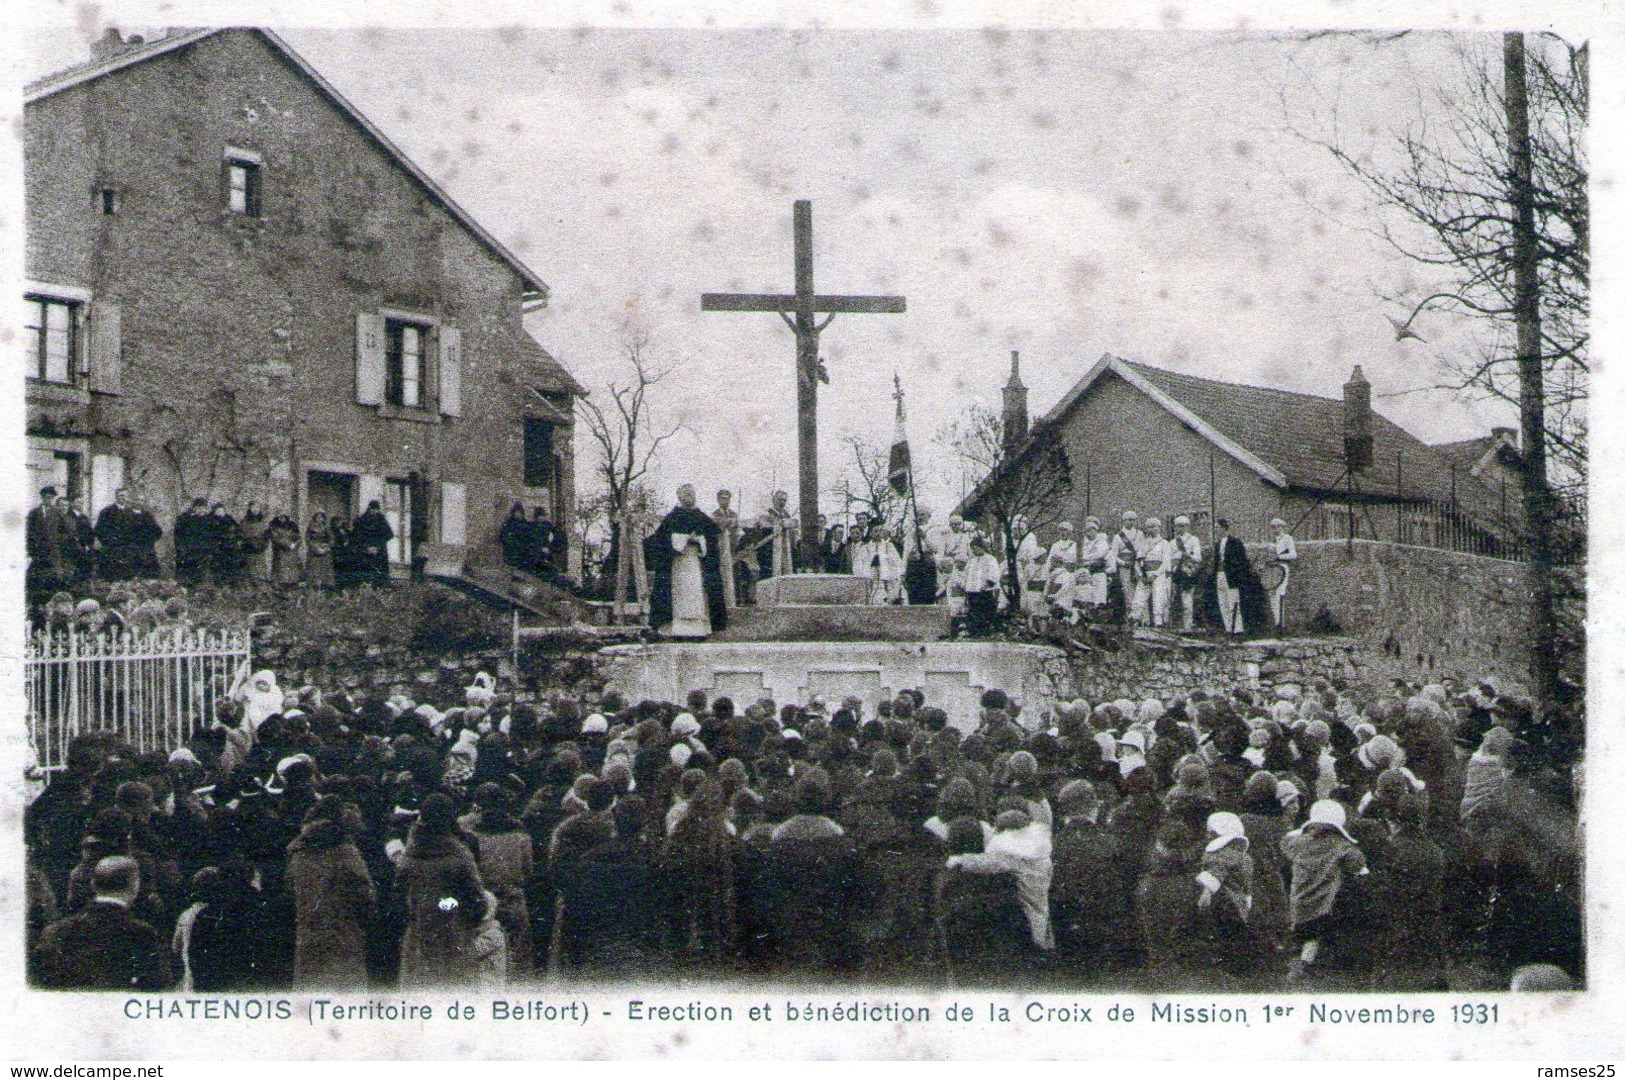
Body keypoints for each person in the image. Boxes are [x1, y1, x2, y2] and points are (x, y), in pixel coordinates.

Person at [33, 855, 173, 990]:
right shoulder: (143, 934)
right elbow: (159, 984)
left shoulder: (54, 931)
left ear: (93, 884)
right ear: (135, 886)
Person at [395, 793, 485, 987]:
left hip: (418, 939)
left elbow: (398, 906)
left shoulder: (408, 859)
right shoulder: (460, 856)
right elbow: (478, 904)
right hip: (453, 936)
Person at [285, 798, 375, 989]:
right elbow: (366, 897)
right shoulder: (347, 852)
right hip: (344, 934)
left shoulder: (298, 853)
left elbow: (290, 891)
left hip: (308, 934)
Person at [645, 484, 727, 639]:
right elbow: (662, 539)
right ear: (680, 497)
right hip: (678, 563)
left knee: (696, 593)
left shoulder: (700, 516)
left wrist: (700, 540)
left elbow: (711, 535)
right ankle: (677, 630)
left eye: (692, 494)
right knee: (679, 594)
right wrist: (683, 539)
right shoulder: (673, 517)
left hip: (696, 561)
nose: (689, 497)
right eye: (686, 494)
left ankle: (698, 630)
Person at [26, 486, 67, 598]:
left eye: (51, 498)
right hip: (38, 551)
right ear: (42, 498)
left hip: (53, 551)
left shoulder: (57, 513)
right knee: (38, 577)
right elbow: (29, 532)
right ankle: (38, 602)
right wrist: (31, 550)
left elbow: (63, 531)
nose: (48, 500)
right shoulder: (34, 513)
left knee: (53, 577)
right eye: (46, 498)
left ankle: (50, 601)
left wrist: (57, 542)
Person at [93, 488, 141, 582]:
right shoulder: (107, 511)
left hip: (127, 551)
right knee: (111, 577)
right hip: (111, 550)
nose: (124, 498)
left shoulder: (131, 513)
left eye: (125, 496)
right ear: (116, 497)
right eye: (121, 495)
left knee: (127, 578)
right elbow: (98, 530)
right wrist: (109, 541)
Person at [1109, 510, 1146, 625]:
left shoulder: (1139, 534)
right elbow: (1113, 555)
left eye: (1133, 520)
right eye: (1129, 520)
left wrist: (1139, 560)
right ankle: (1131, 619)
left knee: (1140, 591)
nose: (1131, 522)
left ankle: (1142, 619)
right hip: (1125, 567)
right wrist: (1123, 563)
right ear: (1124, 521)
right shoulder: (1118, 537)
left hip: (1137, 565)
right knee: (1128, 592)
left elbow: (1142, 548)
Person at [962, 537, 1003, 638]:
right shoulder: (971, 561)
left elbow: (994, 574)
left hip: (985, 590)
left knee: (986, 610)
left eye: (976, 547)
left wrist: (987, 584)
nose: (974, 550)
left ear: (982, 547)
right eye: (973, 548)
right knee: (973, 611)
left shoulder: (990, 559)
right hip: (972, 590)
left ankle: (987, 631)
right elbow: (966, 574)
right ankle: (974, 632)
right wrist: (965, 585)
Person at [1171, 516, 1203, 632]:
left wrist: (1187, 555)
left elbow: (1198, 558)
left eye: (1182, 526)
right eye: (1178, 526)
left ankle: (1187, 627)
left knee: (1187, 601)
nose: (1180, 528)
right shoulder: (1172, 542)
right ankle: (1169, 625)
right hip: (1175, 572)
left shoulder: (1193, 540)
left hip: (1187, 572)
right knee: (1170, 599)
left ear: (1187, 527)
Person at [353, 500, 394, 588]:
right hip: (365, 552)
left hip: (379, 552)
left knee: (379, 577)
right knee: (366, 576)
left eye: (376, 509)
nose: (374, 511)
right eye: (372, 509)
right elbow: (356, 537)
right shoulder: (361, 520)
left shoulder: (382, 521)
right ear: (368, 509)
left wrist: (377, 547)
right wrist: (367, 548)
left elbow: (389, 535)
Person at [173, 498, 213, 587]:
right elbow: (178, 536)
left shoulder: (208, 520)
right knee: (186, 577)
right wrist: (182, 549)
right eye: (199, 507)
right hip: (188, 553)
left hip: (203, 553)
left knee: (201, 578)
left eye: (203, 507)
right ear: (194, 508)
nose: (201, 510)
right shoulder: (185, 519)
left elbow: (211, 537)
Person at [1269, 518, 1298, 630]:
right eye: (1273, 527)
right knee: (1272, 595)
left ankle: (1281, 624)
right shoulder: (1272, 540)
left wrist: (1279, 556)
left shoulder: (1287, 539)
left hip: (1282, 567)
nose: (1275, 529)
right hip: (1273, 569)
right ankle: (1277, 622)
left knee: (1280, 593)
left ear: (1282, 527)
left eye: (1277, 526)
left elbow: (1293, 555)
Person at [527, 505, 567, 584]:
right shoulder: (530, 526)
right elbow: (528, 541)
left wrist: (550, 548)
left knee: (551, 571)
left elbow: (559, 538)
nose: (541, 518)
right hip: (534, 554)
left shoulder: (547, 525)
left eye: (542, 516)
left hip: (546, 554)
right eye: (539, 516)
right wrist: (538, 548)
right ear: (535, 517)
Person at [1077, 517, 1109, 608]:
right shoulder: (1086, 543)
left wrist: (1086, 559)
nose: (1089, 533)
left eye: (1091, 531)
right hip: (1088, 571)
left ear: (1096, 530)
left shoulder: (1102, 541)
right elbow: (1082, 556)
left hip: (1099, 571)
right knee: (1087, 594)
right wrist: (1086, 560)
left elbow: (1099, 554)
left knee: (1099, 595)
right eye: (1087, 531)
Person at [208, 503, 243, 585]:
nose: (220, 512)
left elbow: (239, 531)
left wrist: (236, 540)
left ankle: (231, 584)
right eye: (218, 511)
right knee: (218, 567)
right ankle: (219, 584)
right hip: (217, 548)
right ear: (214, 512)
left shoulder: (230, 519)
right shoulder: (211, 520)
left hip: (230, 548)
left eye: (222, 510)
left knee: (231, 567)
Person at [239, 501, 271, 583]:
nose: (255, 510)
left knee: (260, 569)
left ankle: (262, 586)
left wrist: (263, 544)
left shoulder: (263, 521)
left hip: (260, 548)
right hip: (249, 548)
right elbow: (241, 534)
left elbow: (267, 534)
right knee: (250, 570)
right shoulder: (245, 521)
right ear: (250, 509)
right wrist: (249, 542)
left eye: (257, 507)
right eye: (253, 508)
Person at [268, 513, 302, 585]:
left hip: (291, 552)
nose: (282, 517)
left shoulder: (292, 525)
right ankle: (280, 585)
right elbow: (275, 538)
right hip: (279, 551)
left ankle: (292, 584)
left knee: (292, 570)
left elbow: (298, 537)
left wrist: (295, 544)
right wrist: (287, 545)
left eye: (284, 515)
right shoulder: (274, 525)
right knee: (279, 570)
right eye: (280, 515)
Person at [305, 511, 335, 590]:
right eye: (318, 517)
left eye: (321, 517)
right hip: (314, 550)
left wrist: (327, 547)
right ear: (315, 518)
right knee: (314, 567)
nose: (319, 519)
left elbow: (331, 539)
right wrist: (314, 547)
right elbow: (307, 538)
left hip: (324, 550)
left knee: (325, 567)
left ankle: (325, 585)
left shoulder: (326, 527)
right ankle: (313, 585)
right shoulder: (311, 527)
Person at [499, 503, 532, 572]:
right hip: (511, 550)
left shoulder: (525, 524)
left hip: (522, 551)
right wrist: (510, 542)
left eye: (519, 512)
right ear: (513, 513)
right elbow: (503, 536)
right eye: (516, 512)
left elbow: (528, 537)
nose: (518, 514)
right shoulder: (508, 524)